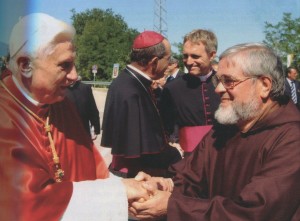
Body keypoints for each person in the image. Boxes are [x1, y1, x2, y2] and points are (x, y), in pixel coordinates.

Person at [0, 13, 152, 221]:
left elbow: (92, 171)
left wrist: (130, 185)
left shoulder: (61, 104)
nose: (75, 75)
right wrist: (120, 192)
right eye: (65, 65)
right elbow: (27, 205)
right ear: (26, 66)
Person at [130, 43, 300, 221]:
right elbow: (190, 176)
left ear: (264, 85)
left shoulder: (292, 140)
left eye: (229, 81)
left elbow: (255, 213)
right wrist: (162, 185)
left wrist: (172, 206)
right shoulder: (226, 127)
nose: (218, 89)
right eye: (218, 80)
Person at [101, 31, 182, 178]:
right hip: (139, 174)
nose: (169, 65)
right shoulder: (130, 91)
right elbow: (134, 151)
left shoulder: (131, 81)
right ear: (154, 62)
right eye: (168, 59)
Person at [160, 29, 220, 156]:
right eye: (185, 56)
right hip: (188, 158)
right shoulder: (172, 88)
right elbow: (164, 127)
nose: (188, 62)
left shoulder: (226, 84)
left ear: (212, 55)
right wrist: (171, 142)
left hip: (225, 154)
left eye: (195, 56)